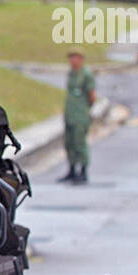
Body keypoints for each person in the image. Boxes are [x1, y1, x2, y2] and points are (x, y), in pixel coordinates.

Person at [62, 51, 95, 184]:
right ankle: (72, 169)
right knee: (69, 143)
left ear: (81, 59)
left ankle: (83, 170)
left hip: (80, 115)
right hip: (70, 114)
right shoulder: (71, 74)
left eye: (74, 58)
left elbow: (92, 95)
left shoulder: (86, 74)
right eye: (70, 58)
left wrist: (85, 110)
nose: (72, 61)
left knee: (80, 143)